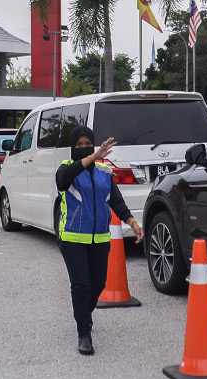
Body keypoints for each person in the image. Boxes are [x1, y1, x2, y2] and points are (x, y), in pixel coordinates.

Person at [55, 125, 144, 355]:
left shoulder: (105, 172)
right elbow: (63, 180)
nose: (84, 148)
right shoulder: (66, 169)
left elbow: (116, 201)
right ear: (73, 147)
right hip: (72, 238)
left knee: (98, 284)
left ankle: (85, 314)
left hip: (100, 239)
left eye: (88, 144)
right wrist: (93, 157)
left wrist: (133, 222)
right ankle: (84, 332)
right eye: (79, 145)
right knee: (81, 285)